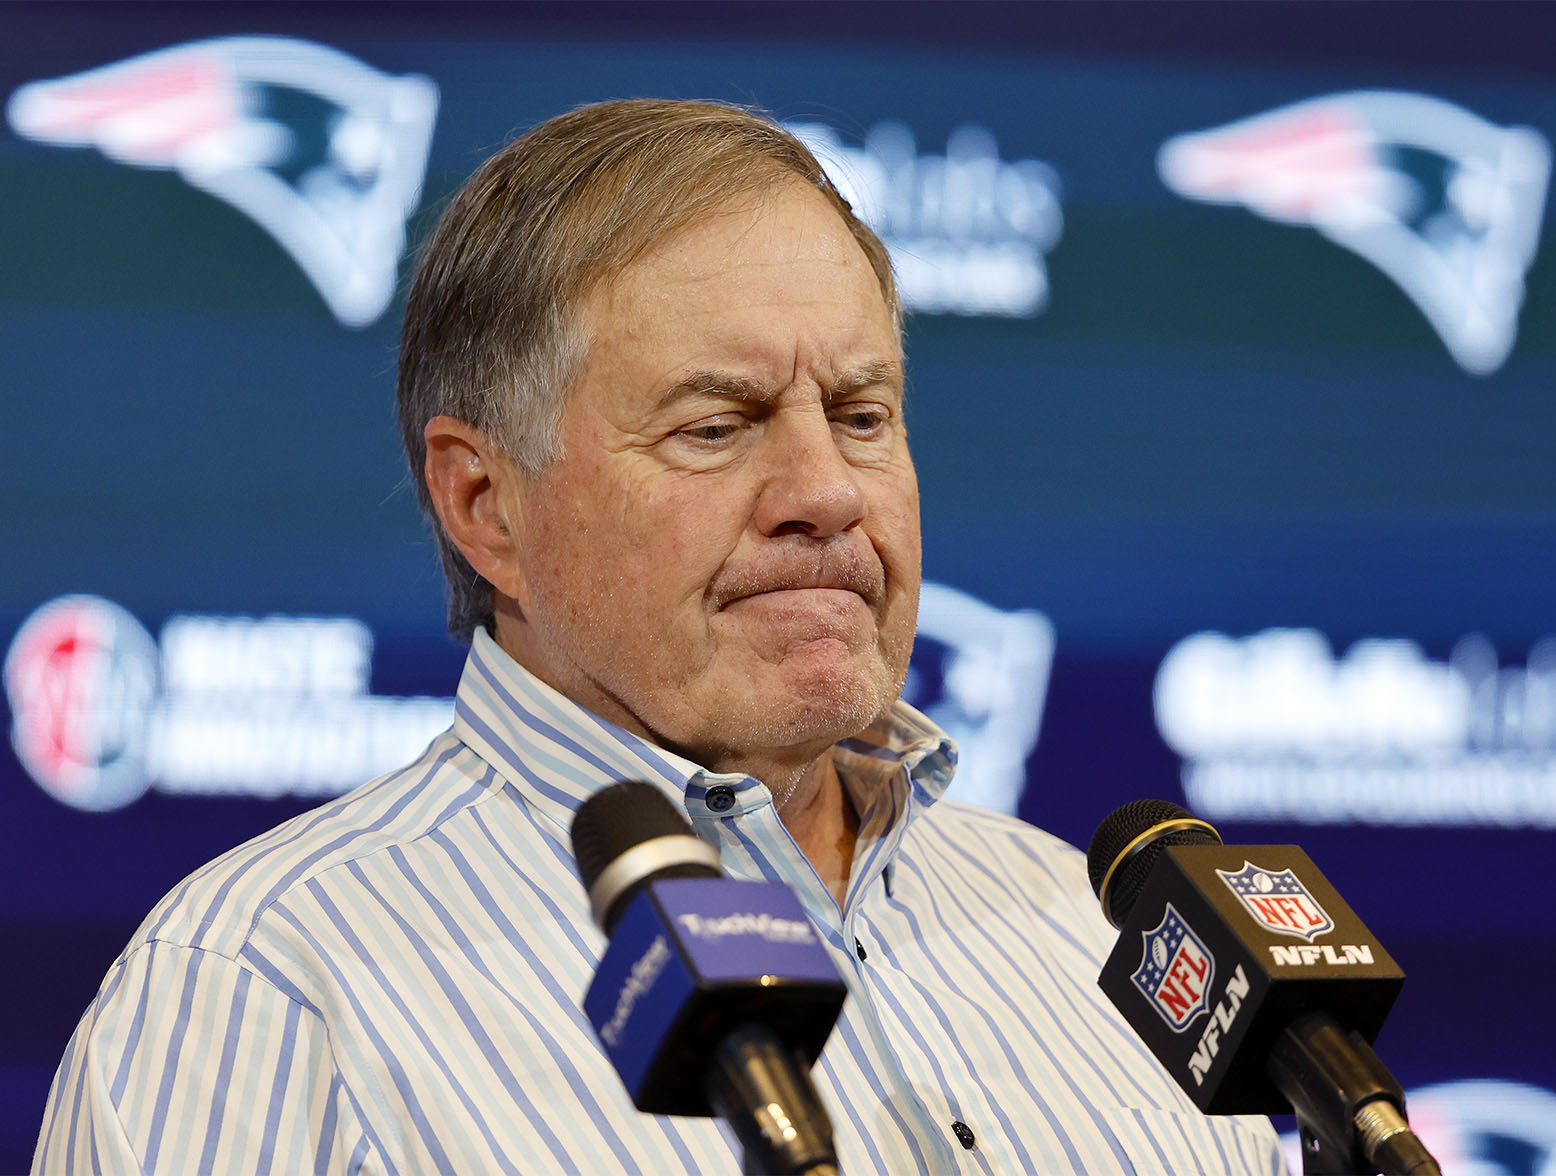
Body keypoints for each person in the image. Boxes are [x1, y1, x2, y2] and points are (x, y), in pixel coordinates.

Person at [34, 99, 1286, 1175]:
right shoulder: (266, 987)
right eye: (716, 424)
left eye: (859, 414)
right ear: (486, 505)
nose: (825, 491)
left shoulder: (1107, 940)